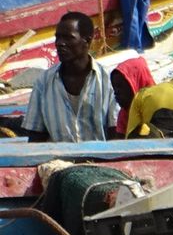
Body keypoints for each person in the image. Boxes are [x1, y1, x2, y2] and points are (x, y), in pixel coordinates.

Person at [23, 12, 119, 143]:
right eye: (58, 38)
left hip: (100, 155)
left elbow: (116, 133)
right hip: (58, 156)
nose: (60, 43)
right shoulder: (43, 82)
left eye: (68, 38)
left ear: (87, 41)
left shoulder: (107, 80)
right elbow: (36, 136)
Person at [111, 56, 156, 138]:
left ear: (136, 83)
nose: (116, 92)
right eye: (115, 87)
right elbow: (119, 143)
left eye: (120, 86)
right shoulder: (124, 116)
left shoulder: (158, 109)